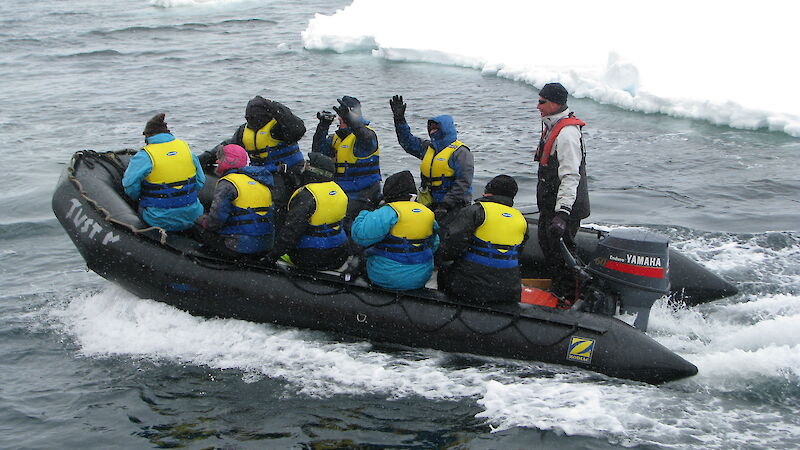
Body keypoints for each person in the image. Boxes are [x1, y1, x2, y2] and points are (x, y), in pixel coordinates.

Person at [198, 95, 306, 212]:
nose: (252, 121)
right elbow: (226, 147)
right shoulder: (244, 131)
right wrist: (202, 160)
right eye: (249, 118)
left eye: (255, 118)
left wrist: (276, 107)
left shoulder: (278, 128)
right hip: (259, 175)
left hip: (287, 173)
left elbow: (298, 129)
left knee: (277, 201)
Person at [534, 82, 590, 299]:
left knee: (562, 254)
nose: (537, 106)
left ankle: (570, 297)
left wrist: (562, 213)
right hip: (550, 207)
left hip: (564, 209)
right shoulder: (551, 126)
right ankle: (558, 291)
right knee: (547, 247)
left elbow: (570, 176)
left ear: (555, 103)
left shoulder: (567, 134)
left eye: (542, 102)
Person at [436, 175, 529, 305]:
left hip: (471, 288)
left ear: (487, 191)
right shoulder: (521, 219)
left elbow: (450, 249)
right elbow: (518, 254)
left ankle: (444, 306)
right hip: (510, 290)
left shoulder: (475, 211)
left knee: (445, 266)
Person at [389, 95, 474, 227]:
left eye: (436, 128)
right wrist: (399, 120)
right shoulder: (428, 148)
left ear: (446, 129)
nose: (432, 131)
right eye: (430, 128)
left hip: (454, 206)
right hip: (429, 202)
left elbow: (463, 183)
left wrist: (445, 204)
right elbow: (406, 141)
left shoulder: (461, 152)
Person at [351, 171, 438, 291]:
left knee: (361, 256)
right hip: (421, 276)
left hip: (387, 277)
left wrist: (366, 211)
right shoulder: (428, 213)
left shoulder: (389, 212)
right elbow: (434, 244)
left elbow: (359, 236)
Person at [122, 113, 206, 231]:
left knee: (135, 207)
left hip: (159, 219)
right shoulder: (186, 149)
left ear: (148, 135)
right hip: (193, 215)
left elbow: (130, 185)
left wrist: (140, 198)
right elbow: (200, 181)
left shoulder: (144, 156)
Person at [267, 153, 349, 270]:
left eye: (307, 165)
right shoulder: (339, 191)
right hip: (339, 254)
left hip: (311, 256)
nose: (303, 168)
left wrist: (271, 257)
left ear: (314, 170)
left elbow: (291, 232)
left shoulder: (306, 196)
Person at [312, 96, 381, 228]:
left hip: (363, 194)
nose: (340, 119)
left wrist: (350, 119)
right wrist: (323, 126)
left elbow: (364, 136)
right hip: (340, 192)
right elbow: (317, 153)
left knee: (346, 222)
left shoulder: (367, 136)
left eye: (343, 116)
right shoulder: (337, 137)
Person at [194, 144, 275, 256]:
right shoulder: (261, 182)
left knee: (197, 225)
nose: (217, 161)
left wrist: (202, 220)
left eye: (220, 158)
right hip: (266, 245)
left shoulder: (227, 183)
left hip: (240, 247)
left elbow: (215, 221)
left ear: (227, 161)